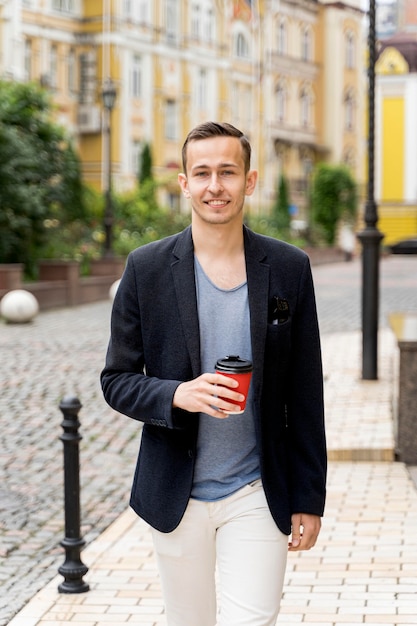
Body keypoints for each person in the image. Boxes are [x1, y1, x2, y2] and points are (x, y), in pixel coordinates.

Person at [101, 121, 327, 626]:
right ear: (184, 183)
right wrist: (178, 393)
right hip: (175, 494)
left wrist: (309, 497)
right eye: (201, 173)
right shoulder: (146, 268)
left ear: (249, 181)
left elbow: (305, 392)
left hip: (257, 488)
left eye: (227, 172)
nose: (214, 186)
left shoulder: (289, 267)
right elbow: (115, 380)